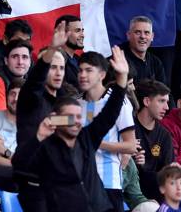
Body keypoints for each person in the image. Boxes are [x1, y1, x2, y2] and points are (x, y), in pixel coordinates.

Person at [16, 43, 131, 211]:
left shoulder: (86, 138)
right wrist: (38, 137)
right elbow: (19, 163)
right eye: (70, 117)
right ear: (58, 119)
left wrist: (122, 80)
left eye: (79, 117)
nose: (77, 121)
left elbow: (109, 115)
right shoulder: (47, 147)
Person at [11, 25, 69, 210]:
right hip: (32, 183)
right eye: (53, 67)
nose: (58, 72)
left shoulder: (64, 102)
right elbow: (35, 81)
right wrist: (52, 49)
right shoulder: (30, 97)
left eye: (62, 68)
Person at [78, 51, 137, 212]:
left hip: (108, 183)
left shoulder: (119, 101)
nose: (83, 75)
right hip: (80, 184)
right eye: (80, 70)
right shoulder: (76, 105)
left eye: (89, 70)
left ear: (102, 74)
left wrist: (97, 143)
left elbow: (131, 146)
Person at [134, 79, 175, 200]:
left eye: (167, 102)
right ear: (146, 101)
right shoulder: (129, 127)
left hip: (155, 193)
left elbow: (168, 173)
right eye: (162, 101)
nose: (167, 107)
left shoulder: (164, 135)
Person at [123, 16, 166, 85]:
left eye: (146, 33)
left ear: (152, 37)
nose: (142, 36)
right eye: (138, 32)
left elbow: (164, 92)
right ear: (128, 35)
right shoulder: (120, 61)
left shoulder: (156, 62)